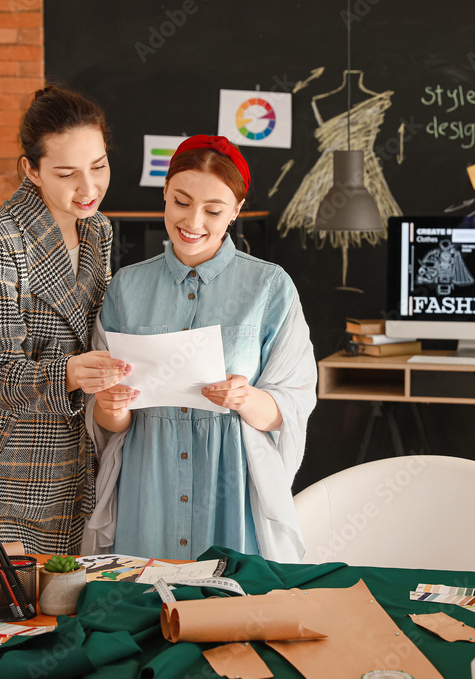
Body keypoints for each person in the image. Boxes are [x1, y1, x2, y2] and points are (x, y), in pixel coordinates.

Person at [85, 135, 316, 562]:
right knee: (143, 609)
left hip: (231, 482)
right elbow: (107, 419)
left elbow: (293, 403)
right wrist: (111, 404)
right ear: (166, 195)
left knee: (228, 614)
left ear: (236, 212)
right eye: (181, 201)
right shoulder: (126, 287)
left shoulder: (269, 287)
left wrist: (246, 398)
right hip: (146, 481)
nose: (193, 221)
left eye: (213, 210)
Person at [0, 85, 128, 554]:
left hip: (71, 458)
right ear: (31, 169)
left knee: (58, 611)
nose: (88, 188)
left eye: (99, 166)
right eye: (66, 174)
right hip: (2, 464)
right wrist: (69, 371)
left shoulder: (98, 229)